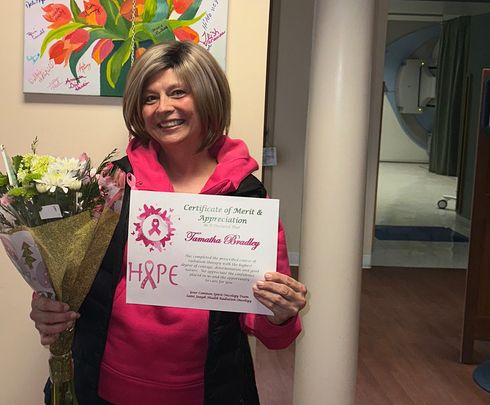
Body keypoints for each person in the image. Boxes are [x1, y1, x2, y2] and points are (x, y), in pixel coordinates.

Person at [30, 40, 308, 405]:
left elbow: (271, 331)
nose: (163, 108)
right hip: (102, 387)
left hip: (208, 392)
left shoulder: (246, 196)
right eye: (150, 98)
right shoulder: (112, 184)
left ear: (207, 96)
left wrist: (280, 314)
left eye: (178, 92)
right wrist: (47, 306)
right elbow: (67, 276)